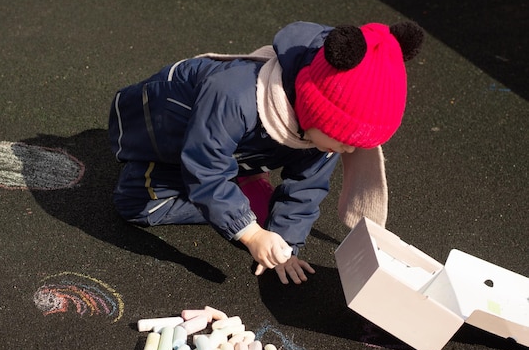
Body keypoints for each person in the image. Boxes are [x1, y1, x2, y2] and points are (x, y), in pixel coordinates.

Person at [108, 21, 424, 284]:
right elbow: (203, 165)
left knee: (229, 180)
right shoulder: (234, 94)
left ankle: (241, 191)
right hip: (166, 135)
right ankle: (240, 198)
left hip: (238, 152)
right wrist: (249, 233)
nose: (349, 149)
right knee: (133, 204)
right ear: (316, 110)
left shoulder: (323, 134)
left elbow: (307, 187)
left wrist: (286, 245)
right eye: (344, 140)